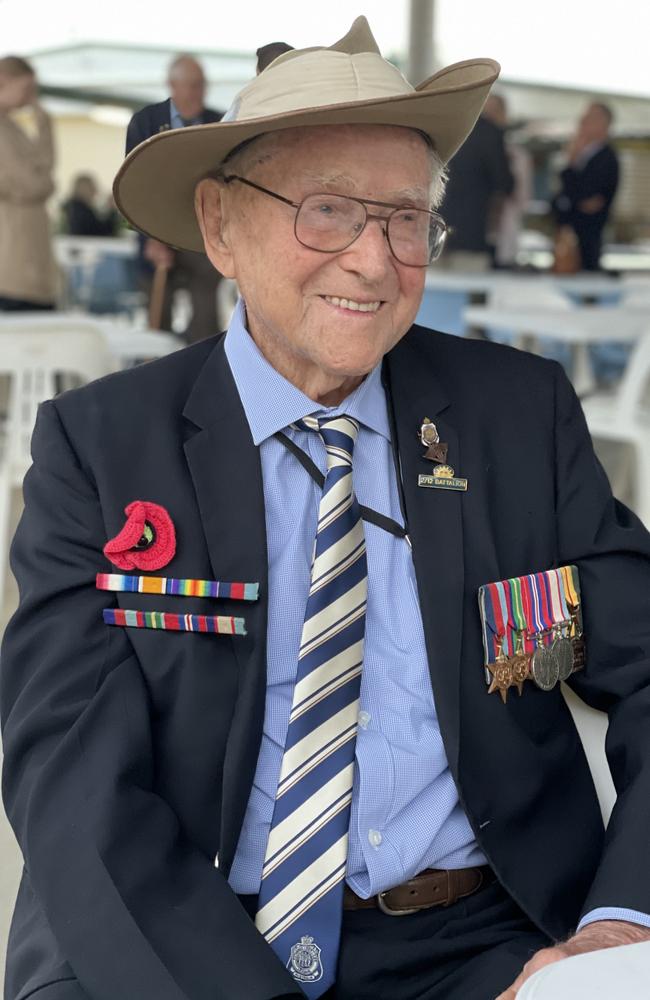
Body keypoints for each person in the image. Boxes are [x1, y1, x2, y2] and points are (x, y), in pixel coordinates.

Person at [2, 16, 650, 1000]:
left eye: (402, 219)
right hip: (183, 937)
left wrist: (620, 918)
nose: (374, 261)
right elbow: (72, 778)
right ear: (219, 225)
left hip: (484, 945)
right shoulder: (101, 448)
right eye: (326, 212)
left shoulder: (514, 418)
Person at [126, 55, 223, 341]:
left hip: (201, 237)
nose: (197, 93)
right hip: (156, 231)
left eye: (201, 85)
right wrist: (150, 236)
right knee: (158, 319)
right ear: (171, 85)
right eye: (190, 85)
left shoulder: (219, 122)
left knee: (206, 317)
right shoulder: (145, 122)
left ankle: (204, 370)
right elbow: (135, 183)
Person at [0, 55, 57, 310]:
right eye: (26, 89)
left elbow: (44, 170)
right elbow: (32, 185)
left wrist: (44, 121)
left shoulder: (12, 127)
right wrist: (45, 185)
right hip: (12, 266)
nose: (29, 97)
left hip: (31, 259)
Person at [438, 94, 514, 271]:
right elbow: (504, 182)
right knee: (468, 288)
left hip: (436, 225)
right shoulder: (491, 133)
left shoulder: (443, 126)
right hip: (472, 229)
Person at [552, 102, 619, 272]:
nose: (583, 122)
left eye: (590, 117)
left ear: (605, 124)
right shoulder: (580, 154)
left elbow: (587, 198)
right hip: (568, 240)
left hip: (586, 243)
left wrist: (572, 165)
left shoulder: (607, 158)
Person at [482, 93, 532, 269]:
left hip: (505, 235)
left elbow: (522, 199)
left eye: (495, 111)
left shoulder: (518, 156)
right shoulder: (471, 152)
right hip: (476, 238)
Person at [61, 173, 119, 237]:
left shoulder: (75, 208)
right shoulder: (79, 211)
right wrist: (112, 209)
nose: (95, 191)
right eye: (92, 188)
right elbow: (100, 232)